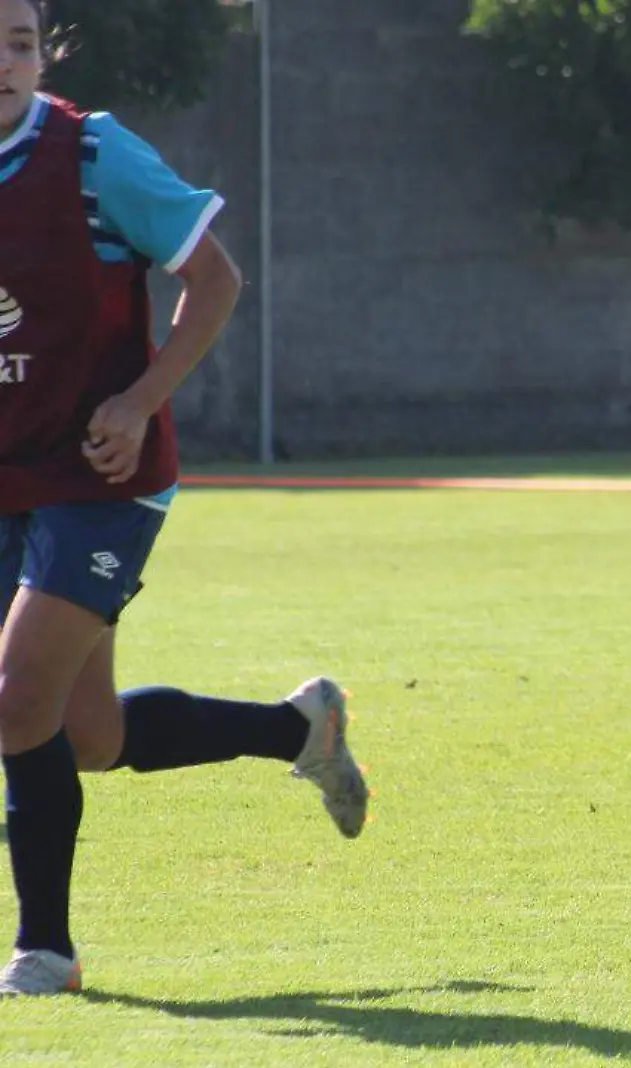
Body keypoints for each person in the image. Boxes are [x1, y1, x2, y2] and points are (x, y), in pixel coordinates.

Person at [0, 0, 368, 997]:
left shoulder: (90, 155)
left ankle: (46, 950)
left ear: (45, 53)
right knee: (88, 736)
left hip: (102, 476)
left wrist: (138, 399)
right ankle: (302, 731)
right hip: (10, 475)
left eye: (22, 41)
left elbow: (214, 278)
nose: (7, 61)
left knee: (14, 695)